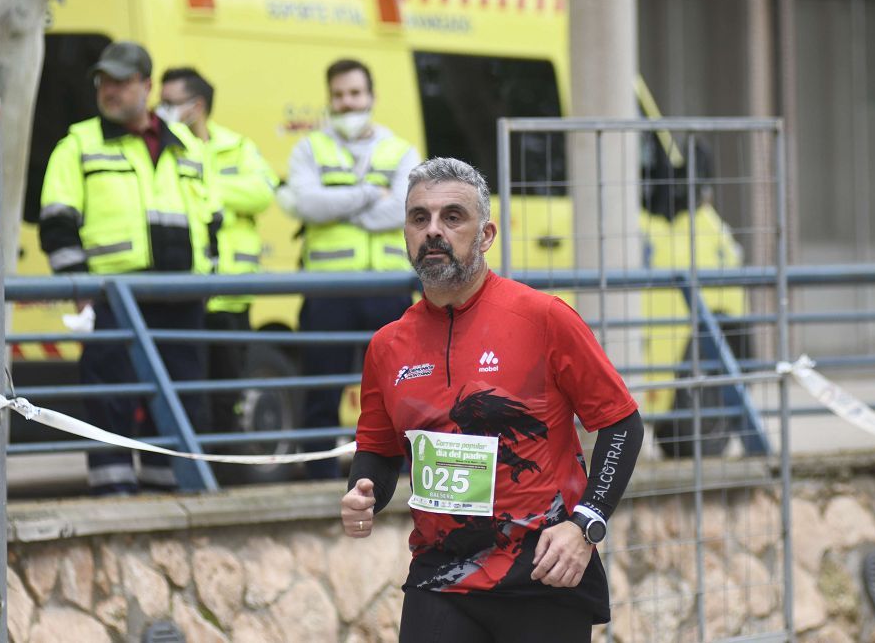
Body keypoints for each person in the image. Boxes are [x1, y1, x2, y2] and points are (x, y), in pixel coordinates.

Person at [340, 158, 644, 642]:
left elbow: (622, 424)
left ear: (485, 234)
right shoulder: (388, 345)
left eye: (452, 217)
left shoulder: (544, 318)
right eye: (420, 218)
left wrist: (586, 524)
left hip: (542, 573)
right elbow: (378, 451)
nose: (433, 231)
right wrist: (363, 495)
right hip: (440, 577)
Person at [39, 41, 221, 495]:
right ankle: (113, 496)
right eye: (104, 81)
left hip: (181, 298)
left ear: (147, 85)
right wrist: (82, 290)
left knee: (180, 401)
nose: (110, 90)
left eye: (121, 81)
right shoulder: (79, 143)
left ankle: (171, 493)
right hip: (112, 296)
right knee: (110, 399)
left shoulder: (186, 148)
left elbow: (210, 222)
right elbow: (57, 225)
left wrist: (207, 282)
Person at [277, 58, 422, 479]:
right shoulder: (309, 147)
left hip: (388, 288)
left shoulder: (400, 148)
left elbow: (403, 209)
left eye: (355, 93)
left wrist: (335, 206)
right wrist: (365, 196)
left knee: (404, 389)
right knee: (320, 389)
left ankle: (412, 475)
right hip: (328, 291)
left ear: (372, 97)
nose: (347, 102)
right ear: (329, 99)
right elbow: (304, 203)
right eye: (339, 94)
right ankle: (318, 476)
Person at [159, 67, 279, 433]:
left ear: (196, 106)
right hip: (187, 291)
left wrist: (206, 188)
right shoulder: (165, 145)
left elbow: (262, 191)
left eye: (169, 102)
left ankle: (226, 472)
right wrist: (222, 192)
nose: (160, 109)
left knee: (228, 392)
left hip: (231, 294)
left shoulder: (236, 145)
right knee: (187, 391)